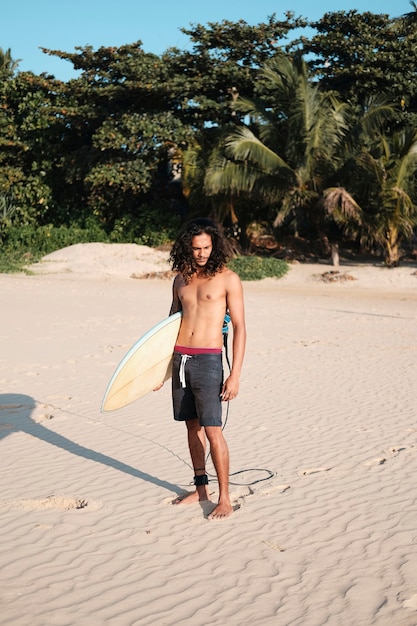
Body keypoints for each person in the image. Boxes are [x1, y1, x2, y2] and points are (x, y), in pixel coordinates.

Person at [164, 217, 246, 519]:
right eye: (196, 248)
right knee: (191, 427)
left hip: (209, 361)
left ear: (215, 246)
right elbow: (169, 326)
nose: (201, 254)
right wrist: (158, 371)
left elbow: (239, 327)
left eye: (207, 247)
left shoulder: (228, 279)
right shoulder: (180, 280)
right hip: (180, 359)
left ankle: (225, 497)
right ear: (188, 247)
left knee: (213, 430)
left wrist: (235, 375)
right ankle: (201, 488)